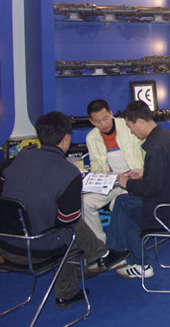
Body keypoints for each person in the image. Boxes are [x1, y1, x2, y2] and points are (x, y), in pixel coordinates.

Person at [0, 112, 128, 308]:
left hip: (6, 244)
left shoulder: (20, 158)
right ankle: (71, 288)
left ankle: (100, 257)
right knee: (68, 228)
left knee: (57, 222)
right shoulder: (68, 173)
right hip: (36, 250)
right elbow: (68, 221)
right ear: (67, 137)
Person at [109, 101, 170, 279]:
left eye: (130, 126)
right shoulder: (168, 137)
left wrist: (126, 183)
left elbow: (150, 188)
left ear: (139, 122)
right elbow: (169, 172)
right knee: (125, 205)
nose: (131, 132)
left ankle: (126, 257)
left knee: (124, 206)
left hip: (167, 210)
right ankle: (121, 253)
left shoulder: (154, 147)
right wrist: (145, 172)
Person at [83, 99, 145, 242]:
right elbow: (96, 167)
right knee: (85, 202)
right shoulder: (91, 138)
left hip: (133, 180)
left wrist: (141, 172)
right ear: (91, 121)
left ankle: (122, 245)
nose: (103, 124)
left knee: (118, 204)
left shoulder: (127, 126)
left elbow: (144, 151)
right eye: (98, 121)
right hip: (110, 183)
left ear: (111, 113)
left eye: (105, 118)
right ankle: (100, 245)